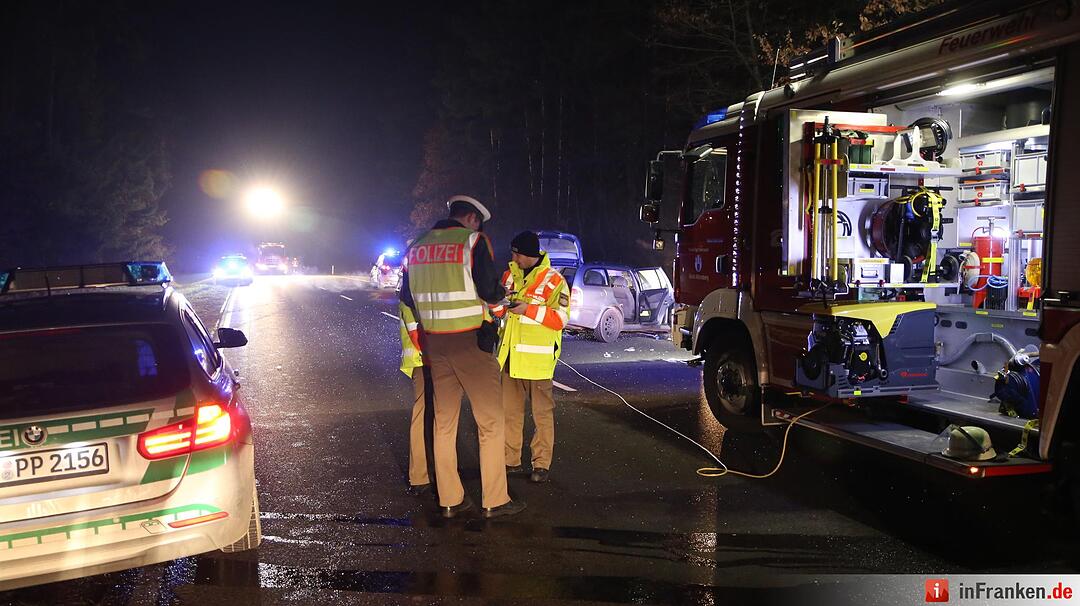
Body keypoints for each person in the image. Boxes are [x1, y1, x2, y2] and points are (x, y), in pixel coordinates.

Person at [399, 195, 526, 519]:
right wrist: (500, 306)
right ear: (471, 219)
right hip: (470, 341)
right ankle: (495, 500)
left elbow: (407, 296)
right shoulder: (472, 241)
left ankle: (450, 500)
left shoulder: (417, 246)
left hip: (435, 344)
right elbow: (488, 290)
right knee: (490, 422)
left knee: (444, 423)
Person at [490, 231, 569, 484]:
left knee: (542, 416)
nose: (513, 257)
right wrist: (498, 307)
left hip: (538, 363)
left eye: (517, 253)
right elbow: (498, 310)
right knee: (509, 414)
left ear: (529, 254)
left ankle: (541, 464)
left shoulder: (555, 281)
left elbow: (560, 320)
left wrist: (528, 309)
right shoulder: (508, 275)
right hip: (510, 358)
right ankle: (509, 460)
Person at [397, 301, 432, 497]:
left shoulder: (416, 287)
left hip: (430, 358)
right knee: (423, 413)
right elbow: (416, 336)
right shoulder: (410, 296)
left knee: (434, 415)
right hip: (424, 360)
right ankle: (420, 475)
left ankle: (430, 471)